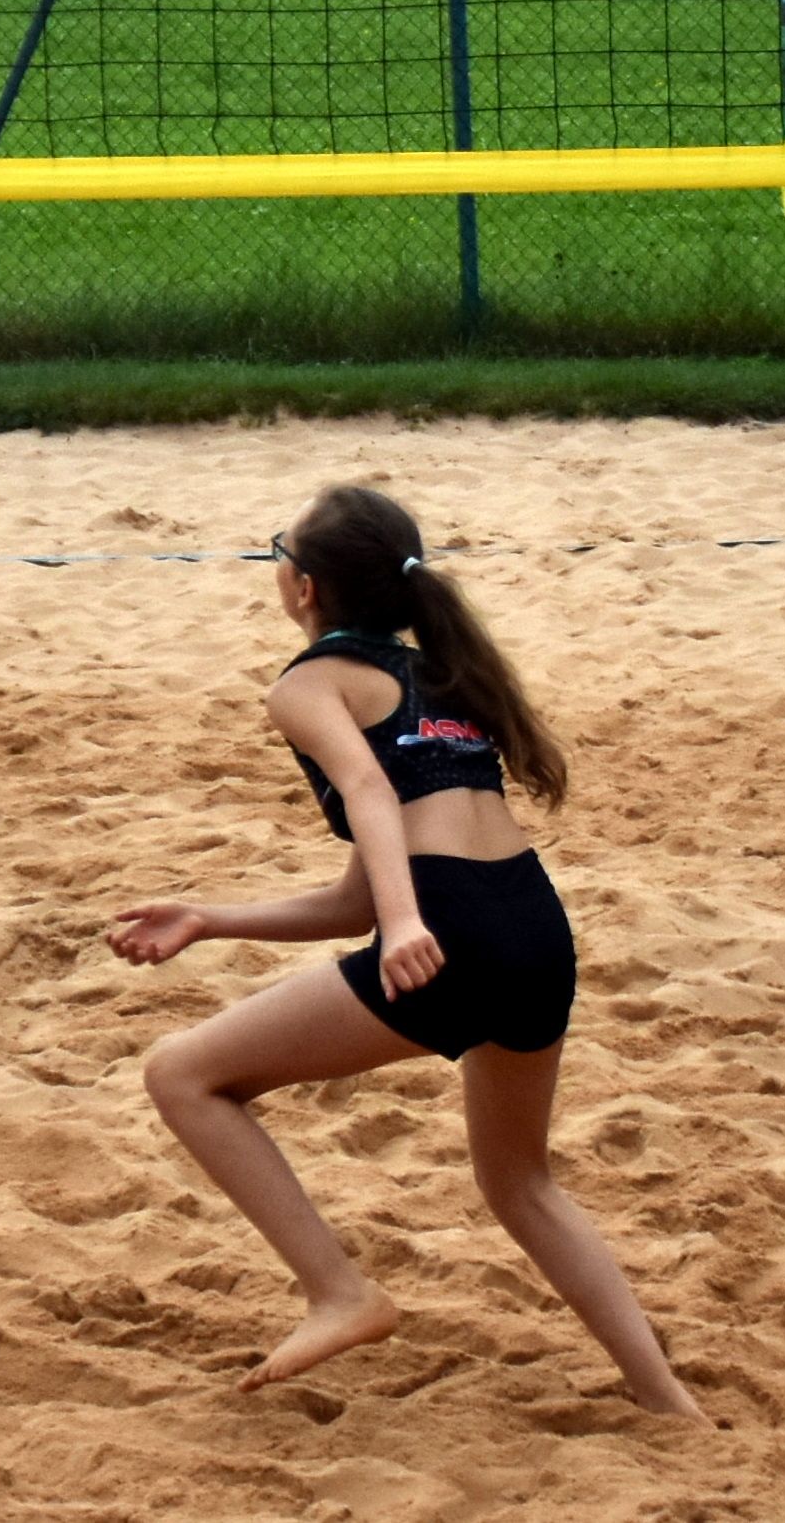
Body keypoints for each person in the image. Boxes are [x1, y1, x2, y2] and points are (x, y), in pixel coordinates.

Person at [107, 484, 701, 1415]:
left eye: (277, 550)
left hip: (450, 930)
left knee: (182, 1075)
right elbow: (358, 898)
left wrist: (408, 924)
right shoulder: (437, 676)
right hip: (532, 929)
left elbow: (371, 798)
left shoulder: (307, 685)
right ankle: (666, 1401)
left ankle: (339, 1293)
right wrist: (209, 918)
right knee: (522, 1184)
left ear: (305, 586)